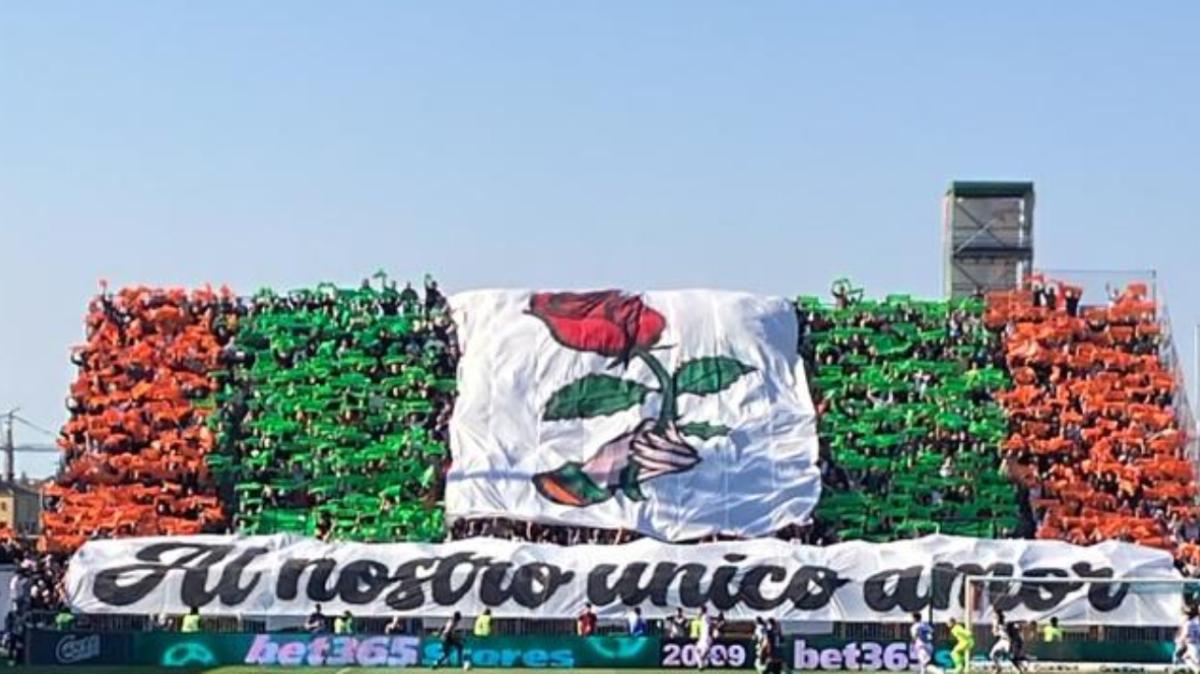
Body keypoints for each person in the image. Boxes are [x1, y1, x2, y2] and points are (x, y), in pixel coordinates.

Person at [1177, 606, 1200, 674]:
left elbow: (1185, 634)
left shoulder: (1190, 623)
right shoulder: (1193, 622)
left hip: (1193, 644)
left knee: (1189, 659)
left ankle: (1196, 670)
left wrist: (1180, 640)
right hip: (1195, 644)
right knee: (1186, 657)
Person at [694, 606, 713, 671]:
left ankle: (702, 665)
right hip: (703, 638)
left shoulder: (706, 617)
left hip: (706, 638)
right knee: (697, 651)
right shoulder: (703, 617)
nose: (697, 611)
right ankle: (701, 666)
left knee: (702, 654)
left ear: (702, 611)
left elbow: (710, 626)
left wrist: (709, 636)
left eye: (698, 610)